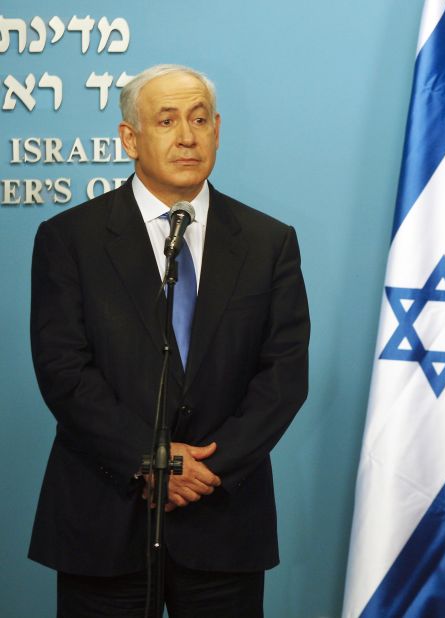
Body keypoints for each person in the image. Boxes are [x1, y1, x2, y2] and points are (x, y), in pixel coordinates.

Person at [29, 64, 310, 617]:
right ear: (130, 138)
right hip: (106, 521)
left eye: (200, 119)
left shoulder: (268, 242)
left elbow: (283, 376)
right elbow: (64, 370)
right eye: (167, 120)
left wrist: (205, 471)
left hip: (222, 521)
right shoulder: (70, 240)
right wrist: (152, 461)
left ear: (218, 131)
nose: (187, 135)